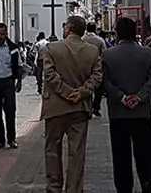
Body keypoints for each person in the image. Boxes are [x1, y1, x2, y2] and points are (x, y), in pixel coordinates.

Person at [39, 16, 103, 193]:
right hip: (79, 107)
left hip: (55, 107)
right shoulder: (92, 51)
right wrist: (82, 92)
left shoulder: (52, 48)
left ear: (67, 28)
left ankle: (54, 186)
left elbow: (49, 75)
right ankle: (74, 188)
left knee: (52, 148)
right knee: (77, 152)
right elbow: (97, 77)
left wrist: (66, 92)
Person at [103, 16, 151, 193]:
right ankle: (146, 183)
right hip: (141, 112)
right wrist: (139, 97)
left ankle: (124, 188)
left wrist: (121, 97)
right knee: (145, 151)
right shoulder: (147, 53)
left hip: (118, 113)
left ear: (117, 33)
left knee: (121, 155)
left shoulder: (107, 55)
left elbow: (104, 82)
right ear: (136, 32)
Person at [82, 22, 106, 117]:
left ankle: (88, 107)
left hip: (84, 66)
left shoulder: (83, 40)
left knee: (86, 86)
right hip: (97, 66)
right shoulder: (100, 40)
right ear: (95, 29)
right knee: (99, 88)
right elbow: (104, 53)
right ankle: (96, 106)